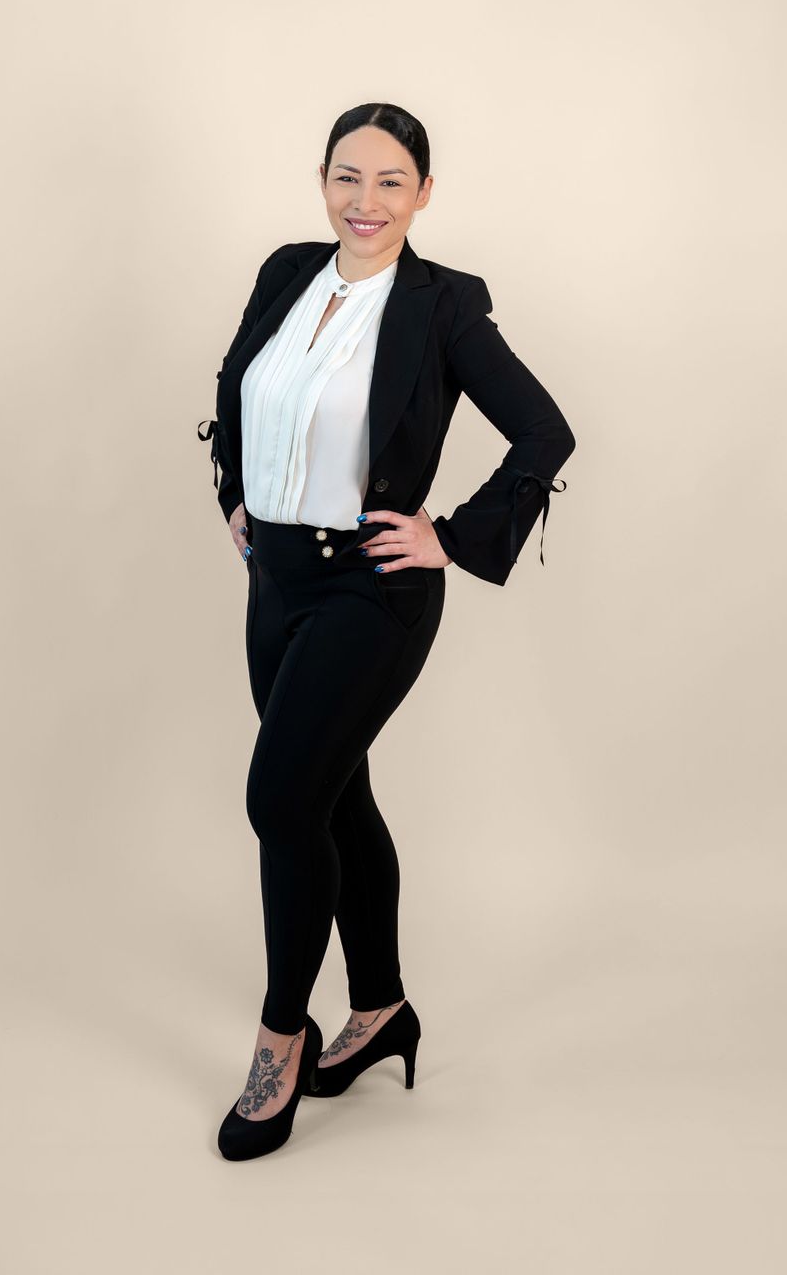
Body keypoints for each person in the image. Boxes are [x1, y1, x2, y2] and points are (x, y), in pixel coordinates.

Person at [198, 102, 576, 1161]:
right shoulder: (286, 272)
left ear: (423, 193)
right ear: (323, 181)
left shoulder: (442, 306)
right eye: (346, 177)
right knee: (332, 796)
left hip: (370, 591)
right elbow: (238, 385)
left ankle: (281, 1042)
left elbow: (544, 431)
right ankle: (382, 1009)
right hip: (274, 583)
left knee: (279, 800)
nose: (364, 202)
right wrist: (234, 492)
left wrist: (449, 537)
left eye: (390, 181)